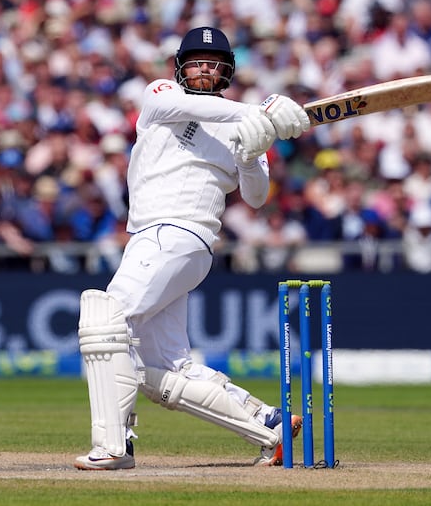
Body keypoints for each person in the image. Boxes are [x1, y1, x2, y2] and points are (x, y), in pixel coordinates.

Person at [74, 27, 310, 470]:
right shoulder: (161, 94)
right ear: (181, 66)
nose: (204, 68)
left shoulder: (246, 127)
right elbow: (182, 104)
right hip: (153, 239)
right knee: (162, 366)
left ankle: (112, 447)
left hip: (179, 233)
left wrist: (249, 153)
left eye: (214, 62)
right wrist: (257, 112)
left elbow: (257, 197)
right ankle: (270, 425)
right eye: (196, 60)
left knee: (105, 321)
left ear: (227, 71)